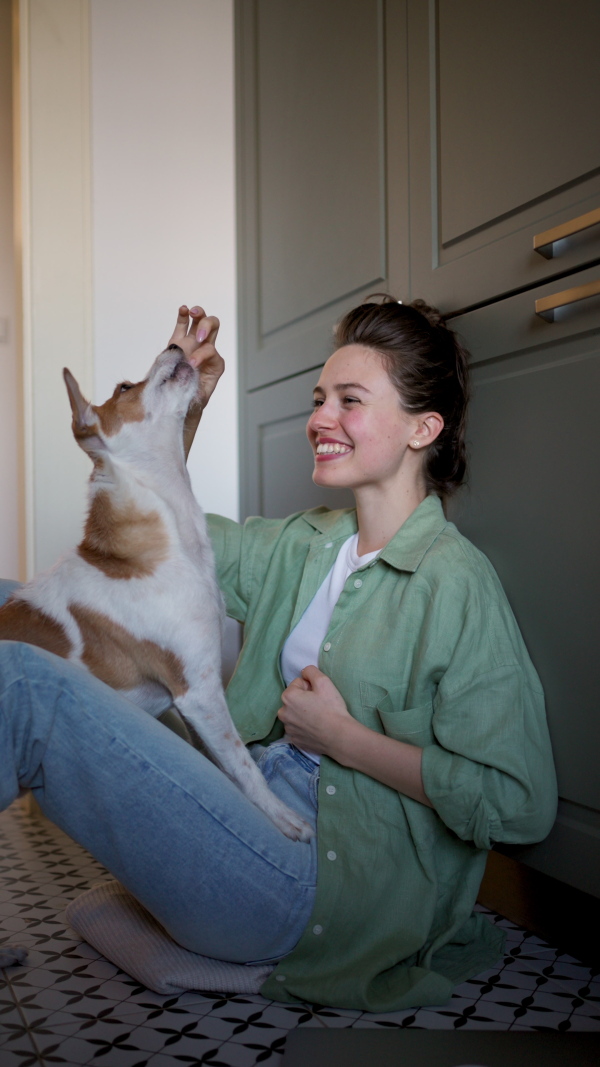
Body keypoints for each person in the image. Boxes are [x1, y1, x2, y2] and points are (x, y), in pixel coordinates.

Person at [0, 298, 557, 1012]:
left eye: (349, 401)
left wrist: (346, 740)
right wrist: (179, 404)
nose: (320, 419)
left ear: (424, 427)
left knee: (22, 680)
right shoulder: (307, 543)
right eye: (319, 399)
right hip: (244, 805)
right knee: (16, 599)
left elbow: (520, 802)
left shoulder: (456, 583)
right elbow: (154, 534)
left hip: (306, 881)